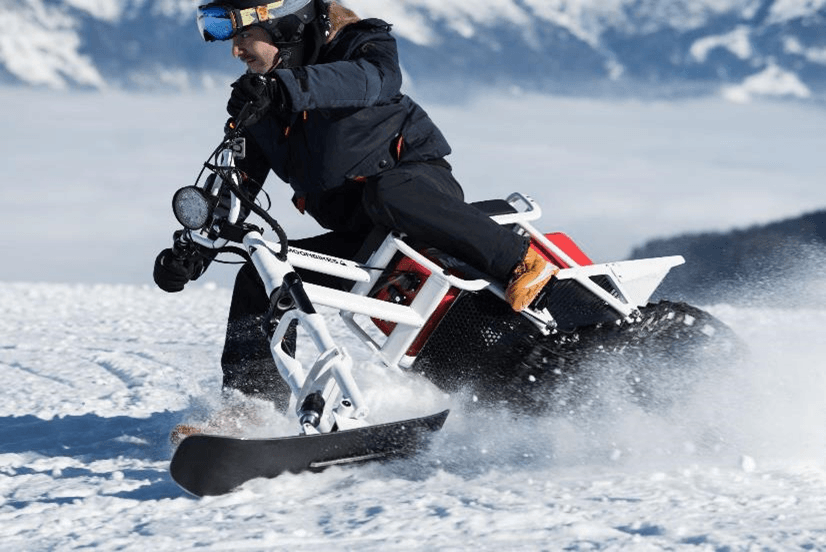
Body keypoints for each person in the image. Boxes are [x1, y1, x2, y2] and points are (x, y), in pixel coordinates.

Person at [153, 0, 558, 406]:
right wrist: (192, 251)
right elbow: (237, 183)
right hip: (362, 237)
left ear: (282, 26)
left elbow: (378, 79)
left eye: (243, 35)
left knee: (390, 193)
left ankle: (519, 261)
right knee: (261, 276)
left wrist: (286, 90)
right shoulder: (258, 99)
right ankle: (253, 411)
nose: (236, 51)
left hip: (422, 202)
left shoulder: (360, 44)